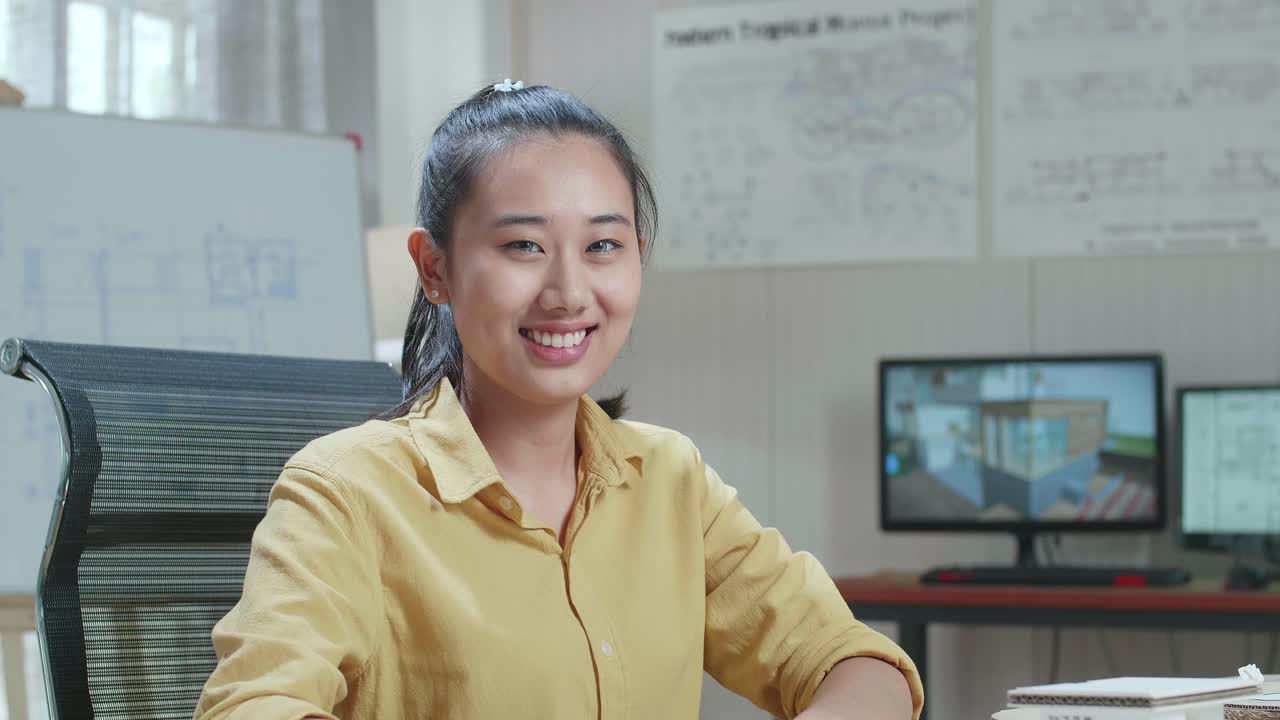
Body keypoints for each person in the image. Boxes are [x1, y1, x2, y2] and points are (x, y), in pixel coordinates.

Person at [194, 80, 922, 720]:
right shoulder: (347, 493)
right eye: (523, 247)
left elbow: (849, 660)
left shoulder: (670, 480)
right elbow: (252, 705)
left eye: (603, 246)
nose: (570, 293)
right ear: (435, 268)